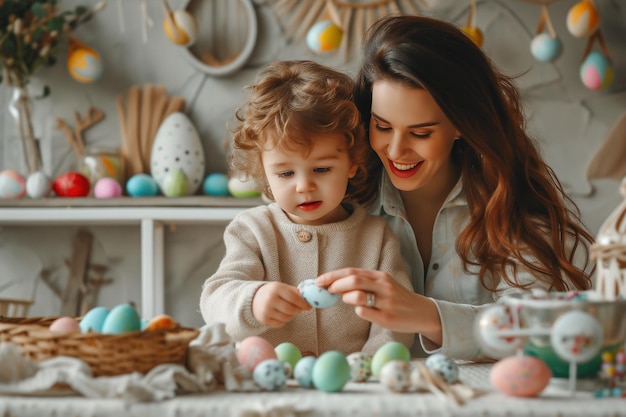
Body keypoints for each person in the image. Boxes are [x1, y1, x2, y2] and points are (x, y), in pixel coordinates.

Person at [316, 15, 595, 360]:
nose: (396, 150)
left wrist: (426, 315)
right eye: (382, 126)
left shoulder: (505, 203)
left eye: (421, 133)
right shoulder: (340, 198)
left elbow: (543, 328)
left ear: (461, 125)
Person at [199, 60, 413, 356]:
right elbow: (215, 301)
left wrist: (368, 364)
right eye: (286, 174)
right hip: (272, 385)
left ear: (352, 162)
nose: (304, 186)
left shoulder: (377, 237)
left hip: (351, 389)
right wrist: (253, 301)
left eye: (322, 169)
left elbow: (395, 320)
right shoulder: (253, 230)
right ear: (263, 171)